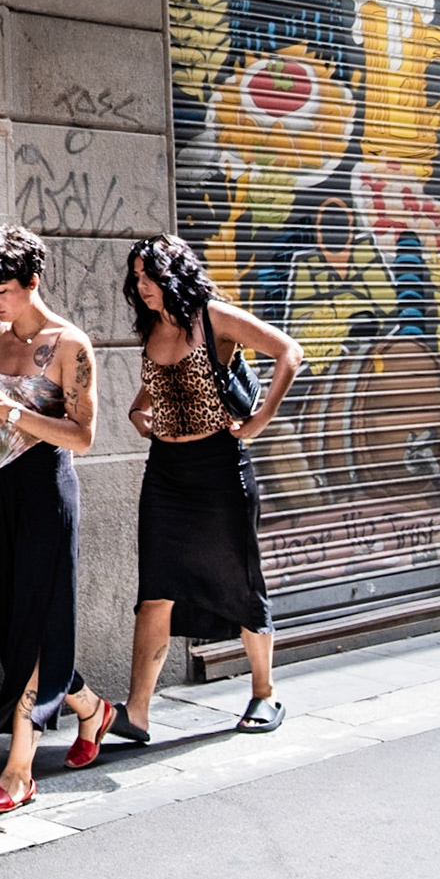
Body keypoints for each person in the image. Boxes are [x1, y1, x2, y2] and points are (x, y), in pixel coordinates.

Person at [0, 225, 115, 814]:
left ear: (33, 282)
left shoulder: (71, 345)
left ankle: (19, 772)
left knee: (38, 626)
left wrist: (12, 411)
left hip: (46, 491)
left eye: (3, 290)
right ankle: (91, 709)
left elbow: (84, 436)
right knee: (9, 622)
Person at [111, 234, 304, 744]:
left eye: (148, 276)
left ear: (172, 274)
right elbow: (158, 382)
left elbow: (290, 352)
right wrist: (138, 410)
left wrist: (261, 419)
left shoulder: (213, 316)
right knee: (155, 591)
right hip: (166, 474)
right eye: (135, 277)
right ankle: (137, 712)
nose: (141, 286)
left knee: (240, 584)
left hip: (220, 471)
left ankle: (265, 693)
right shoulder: (152, 325)